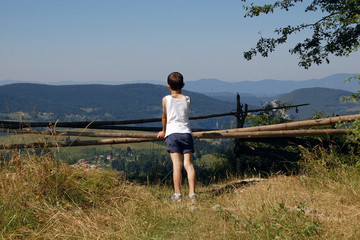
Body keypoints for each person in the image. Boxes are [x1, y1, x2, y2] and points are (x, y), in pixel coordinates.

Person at [157, 72, 196, 202]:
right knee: (188, 164)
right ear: (183, 85)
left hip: (172, 133)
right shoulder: (188, 99)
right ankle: (192, 194)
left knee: (177, 165)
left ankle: (178, 194)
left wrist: (163, 131)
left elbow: (164, 117)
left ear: (168, 86)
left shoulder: (166, 99)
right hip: (186, 133)